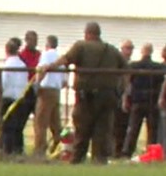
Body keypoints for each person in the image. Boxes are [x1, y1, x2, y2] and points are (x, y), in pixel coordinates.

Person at [39, 22, 127, 164]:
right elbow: (125, 69)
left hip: (86, 95)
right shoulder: (111, 50)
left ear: (87, 34)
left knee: (82, 129)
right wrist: (123, 91)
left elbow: (65, 59)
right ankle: (99, 160)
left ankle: (77, 159)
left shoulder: (81, 46)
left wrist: (50, 66)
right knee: (102, 130)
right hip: (108, 96)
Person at [122, 42, 163, 157]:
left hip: (137, 100)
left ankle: (127, 152)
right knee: (152, 129)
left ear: (142, 51)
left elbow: (128, 84)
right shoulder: (158, 67)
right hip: (152, 100)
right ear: (151, 52)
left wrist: (126, 98)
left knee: (133, 128)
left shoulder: (134, 66)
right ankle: (151, 152)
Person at [0, 37, 33, 156]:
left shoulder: (7, 65)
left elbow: (4, 83)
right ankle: (18, 150)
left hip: (8, 98)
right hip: (20, 99)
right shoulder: (23, 65)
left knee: (6, 127)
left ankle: (7, 150)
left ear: (6, 50)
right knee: (18, 127)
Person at [32, 34, 66, 158]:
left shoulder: (46, 55)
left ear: (47, 44)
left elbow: (43, 69)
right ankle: (59, 146)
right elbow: (64, 81)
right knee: (55, 121)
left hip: (46, 90)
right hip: (56, 91)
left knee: (41, 122)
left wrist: (37, 83)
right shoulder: (60, 58)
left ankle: (39, 149)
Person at [112, 39, 135, 156]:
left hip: (125, 96)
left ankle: (119, 150)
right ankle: (112, 150)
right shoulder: (116, 63)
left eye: (131, 48)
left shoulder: (131, 64)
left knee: (123, 125)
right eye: (127, 48)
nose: (129, 51)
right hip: (115, 95)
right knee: (114, 124)